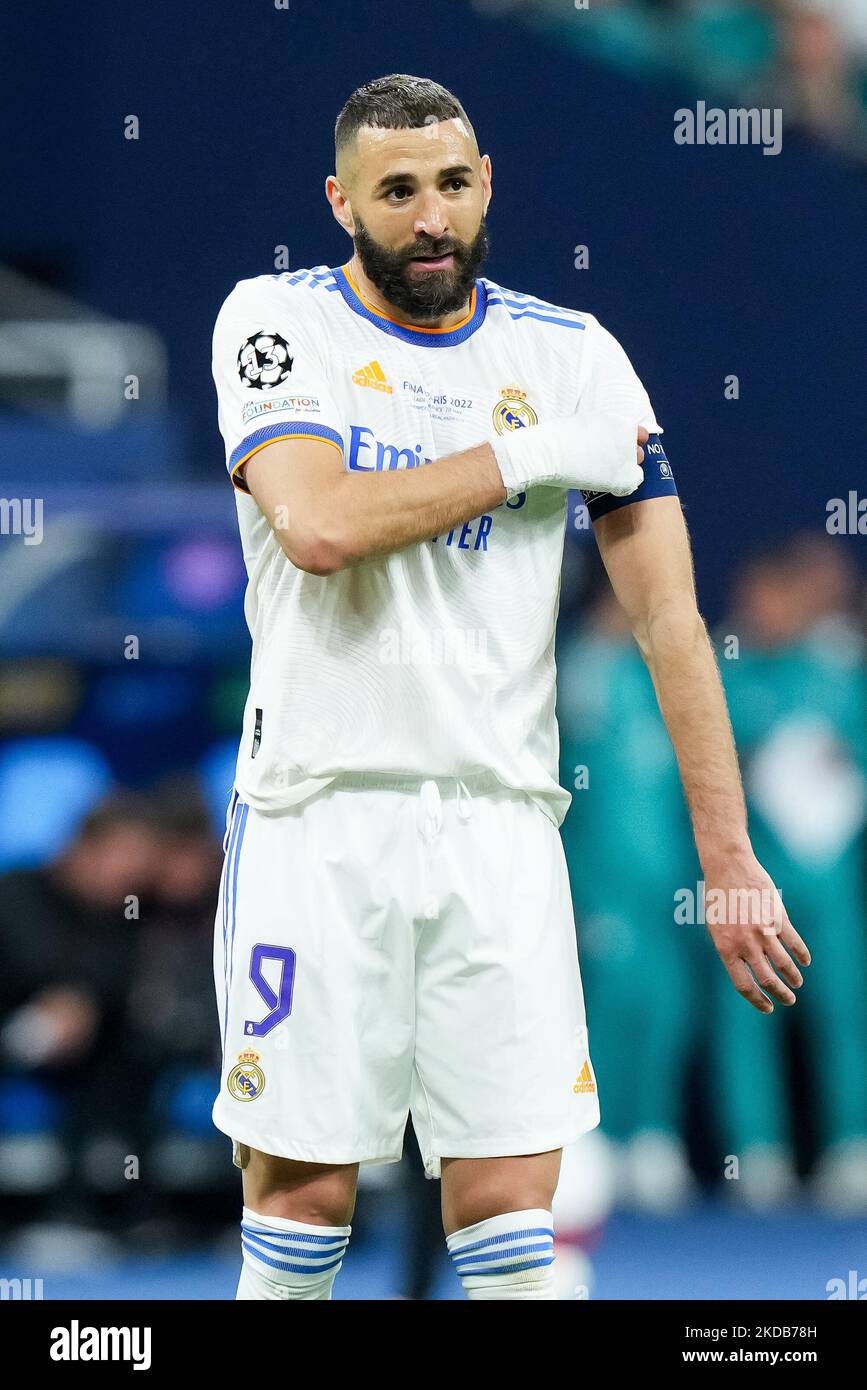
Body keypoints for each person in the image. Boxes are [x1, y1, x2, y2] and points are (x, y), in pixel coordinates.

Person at [209, 72, 809, 1301]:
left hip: (500, 825)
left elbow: (671, 621)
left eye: (451, 184)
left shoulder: (573, 355)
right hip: (321, 814)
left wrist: (729, 854)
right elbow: (318, 525)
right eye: (396, 191)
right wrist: (528, 456)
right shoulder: (276, 322)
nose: (429, 216)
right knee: (303, 1198)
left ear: (488, 184)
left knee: (507, 1208)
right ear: (342, 202)